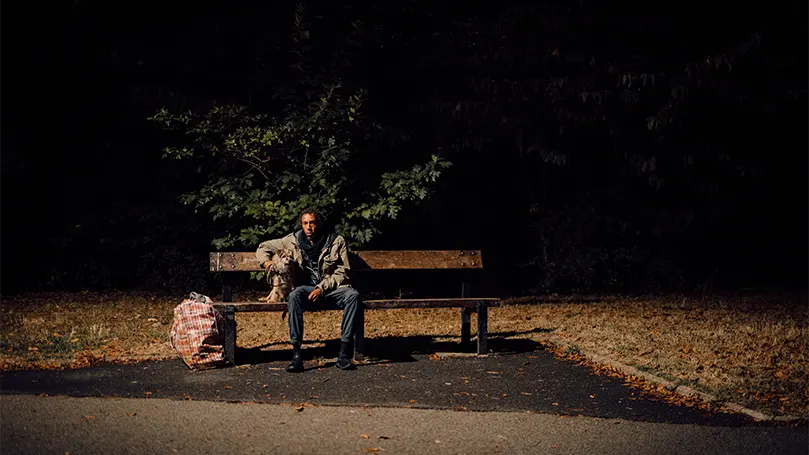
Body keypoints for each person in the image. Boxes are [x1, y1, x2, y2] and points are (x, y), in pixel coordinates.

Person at [256, 208, 361, 372]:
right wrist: (267, 263)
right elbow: (263, 247)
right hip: (305, 290)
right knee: (294, 295)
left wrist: (321, 288)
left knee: (353, 296)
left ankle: (344, 354)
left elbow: (343, 271)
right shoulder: (292, 240)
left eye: (312, 222)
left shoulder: (336, 241)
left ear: (318, 224)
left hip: (330, 289)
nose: (309, 227)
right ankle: (297, 355)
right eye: (305, 223)